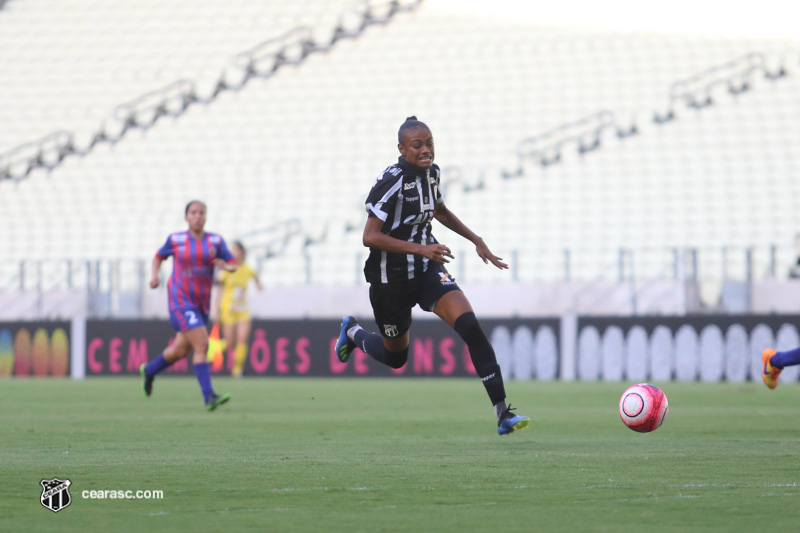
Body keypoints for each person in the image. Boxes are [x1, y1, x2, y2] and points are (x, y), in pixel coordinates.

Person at [335, 116, 530, 436]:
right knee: (395, 358)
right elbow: (369, 236)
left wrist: (475, 239)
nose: (426, 150)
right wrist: (420, 248)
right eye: (418, 145)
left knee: (470, 325)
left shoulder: (432, 173)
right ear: (402, 149)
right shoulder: (392, 181)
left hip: (426, 270)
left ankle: (502, 413)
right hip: (390, 279)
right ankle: (353, 332)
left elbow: (438, 210)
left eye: (430, 144)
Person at [140, 200, 238, 411]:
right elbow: (159, 257)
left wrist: (227, 267)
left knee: (179, 351)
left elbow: (233, 263)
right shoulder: (176, 239)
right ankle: (208, 396)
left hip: (202, 304)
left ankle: (149, 370)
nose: (197, 216)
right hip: (180, 300)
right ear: (186, 217)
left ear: (206, 216)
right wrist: (155, 276)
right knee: (202, 344)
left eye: (201, 212)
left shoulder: (215, 241)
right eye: (193, 212)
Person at [214, 241, 262, 378]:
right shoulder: (227, 269)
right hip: (228, 309)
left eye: (235, 249)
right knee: (230, 343)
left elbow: (256, 277)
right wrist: (216, 310)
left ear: (242, 252)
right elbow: (219, 290)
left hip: (242, 309)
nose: (232, 252)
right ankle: (214, 348)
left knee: (242, 339)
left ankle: (237, 369)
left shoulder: (247, 269)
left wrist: (259, 284)